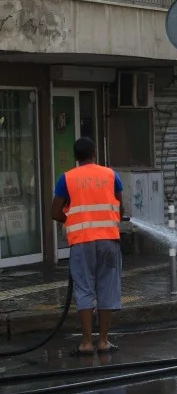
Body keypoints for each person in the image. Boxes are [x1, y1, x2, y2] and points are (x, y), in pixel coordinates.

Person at [51, 137, 124, 355]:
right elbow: (120, 209)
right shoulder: (111, 175)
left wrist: (75, 221)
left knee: (84, 288)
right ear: (94, 153)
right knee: (107, 287)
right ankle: (103, 341)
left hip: (82, 242)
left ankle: (86, 343)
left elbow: (55, 212)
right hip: (109, 240)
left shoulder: (66, 179)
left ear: (76, 157)